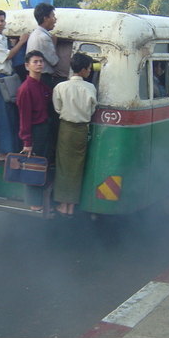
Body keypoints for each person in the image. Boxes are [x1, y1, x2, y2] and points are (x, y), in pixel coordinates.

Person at [52, 53, 97, 217]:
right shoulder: (91, 88)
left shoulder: (60, 87)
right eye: (90, 68)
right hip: (81, 130)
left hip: (66, 129)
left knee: (63, 166)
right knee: (77, 167)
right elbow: (92, 110)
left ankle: (63, 204)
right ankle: (71, 205)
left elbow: (57, 109)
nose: (90, 71)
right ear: (84, 70)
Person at [0, 10, 29, 160]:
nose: (0, 23)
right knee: (2, 115)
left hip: (9, 78)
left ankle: (10, 149)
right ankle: (3, 151)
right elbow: (7, 56)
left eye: (2, 21)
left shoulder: (2, 38)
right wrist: (21, 42)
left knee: (11, 114)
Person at [16, 50, 54, 212]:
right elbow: (24, 118)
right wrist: (27, 142)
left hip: (44, 128)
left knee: (42, 165)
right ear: (27, 65)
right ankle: (34, 203)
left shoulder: (41, 85)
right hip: (34, 131)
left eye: (41, 61)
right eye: (35, 62)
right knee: (32, 167)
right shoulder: (25, 89)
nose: (39, 64)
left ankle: (41, 201)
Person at [26, 3, 59, 87]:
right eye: (53, 16)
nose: (55, 20)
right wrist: (54, 43)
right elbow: (54, 61)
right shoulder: (43, 37)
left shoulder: (35, 34)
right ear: (46, 19)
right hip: (43, 77)